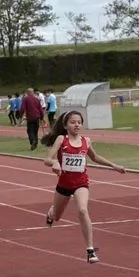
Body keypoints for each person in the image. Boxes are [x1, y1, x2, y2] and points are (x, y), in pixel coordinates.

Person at [41, 111, 126, 263]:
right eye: (73, 122)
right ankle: (52, 212)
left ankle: (90, 250)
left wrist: (114, 165)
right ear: (66, 125)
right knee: (57, 217)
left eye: (79, 122)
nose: (76, 125)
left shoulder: (86, 141)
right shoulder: (62, 139)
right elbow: (47, 159)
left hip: (81, 183)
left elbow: (95, 157)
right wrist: (54, 163)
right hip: (64, 184)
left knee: (82, 209)